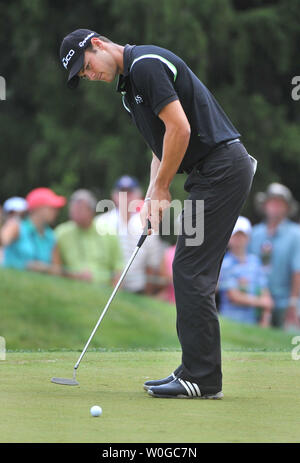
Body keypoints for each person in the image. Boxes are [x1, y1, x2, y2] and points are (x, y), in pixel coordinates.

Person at [59, 29, 257, 399]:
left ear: (98, 44)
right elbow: (161, 145)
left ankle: (202, 379)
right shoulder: (129, 90)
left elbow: (180, 128)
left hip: (222, 171)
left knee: (190, 269)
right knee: (189, 268)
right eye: (84, 76)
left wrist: (164, 187)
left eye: (87, 67)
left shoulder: (146, 64)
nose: (91, 75)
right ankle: (193, 369)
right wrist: (153, 194)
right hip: (208, 176)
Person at [96, 175, 163, 294]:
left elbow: (152, 264)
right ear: (114, 196)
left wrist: (148, 294)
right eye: (121, 192)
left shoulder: (148, 223)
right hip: (105, 287)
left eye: (130, 193)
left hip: (138, 290)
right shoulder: (101, 222)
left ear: (138, 195)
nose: (125, 197)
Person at [249, 183, 300, 330]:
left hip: (286, 302)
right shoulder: (255, 233)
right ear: (265, 205)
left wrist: (293, 302)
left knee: (289, 342)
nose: (275, 207)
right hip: (257, 301)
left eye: (280, 203)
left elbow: (298, 270)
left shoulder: (296, 234)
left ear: (287, 208)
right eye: (272, 202)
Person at [55, 189, 124, 286]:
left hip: (104, 292)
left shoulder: (109, 233)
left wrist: (113, 295)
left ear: (91, 211)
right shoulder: (61, 233)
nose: (74, 212)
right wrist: (73, 275)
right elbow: (55, 269)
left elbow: (119, 269)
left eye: (79, 209)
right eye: (72, 208)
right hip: (70, 291)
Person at [218, 216, 273, 326]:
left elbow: (265, 291)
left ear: (248, 238)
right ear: (228, 239)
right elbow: (233, 296)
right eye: (235, 236)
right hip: (229, 321)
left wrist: (265, 320)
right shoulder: (224, 263)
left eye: (242, 236)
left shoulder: (255, 262)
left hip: (252, 322)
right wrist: (261, 302)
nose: (238, 240)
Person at [1, 188, 65, 275]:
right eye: (52, 207)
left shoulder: (51, 237)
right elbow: (2, 241)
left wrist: (44, 268)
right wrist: (26, 266)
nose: (56, 211)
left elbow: (57, 271)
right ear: (38, 208)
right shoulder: (16, 226)